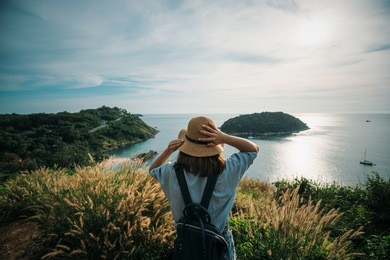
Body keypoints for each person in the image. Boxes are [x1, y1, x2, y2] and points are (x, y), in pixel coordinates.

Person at [149, 116, 259, 260]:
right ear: (215, 145)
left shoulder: (171, 172)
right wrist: (225, 138)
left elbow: (153, 169)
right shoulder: (228, 170)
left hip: (186, 247)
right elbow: (253, 150)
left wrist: (169, 150)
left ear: (184, 145)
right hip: (218, 248)